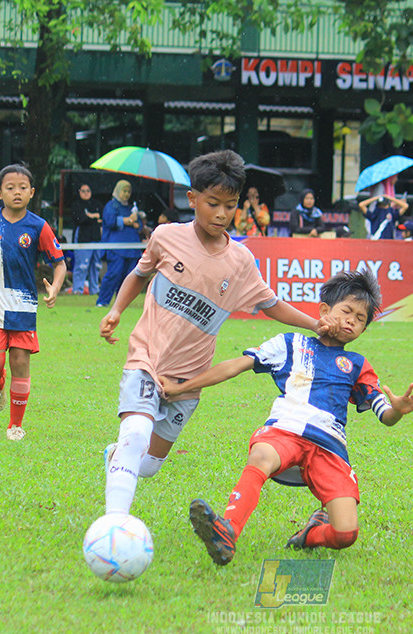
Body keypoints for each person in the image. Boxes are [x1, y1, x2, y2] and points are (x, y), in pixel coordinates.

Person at [97, 149, 336, 520]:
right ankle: (113, 526)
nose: (222, 214)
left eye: (230, 205)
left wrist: (314, 324)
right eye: (212, 204)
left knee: (148, 465)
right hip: (147, 357)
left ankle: (118, 456)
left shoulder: (240, 262)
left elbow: (271, 304)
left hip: (190, 378)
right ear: (192, 199)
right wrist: (115, 310)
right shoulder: (166, 236)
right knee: (137, 431)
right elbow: (140, 274)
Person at [164, 270, 413, 566]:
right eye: (346, 311)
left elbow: (385, 416)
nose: (352, 320)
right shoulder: (289, 344)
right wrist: (180, 388)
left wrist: (398, 410)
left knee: (346, 534)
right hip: (285, 432)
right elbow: (234, 366)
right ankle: (227, 530)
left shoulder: (357, 365)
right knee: (262, 455)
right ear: (324, 310)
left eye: (360, 319)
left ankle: (310, 534)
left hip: (329, 449)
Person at [0, 164, 66, 442]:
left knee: (20, 361)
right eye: (10, 187)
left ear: (31, 192)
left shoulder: (38, 226)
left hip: (23, 306)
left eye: (22, 188)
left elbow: (60, 263)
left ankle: (15, 426)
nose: (16, 192)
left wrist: (54, 287)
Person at [95, 180, 142, 308]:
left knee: (128, 278)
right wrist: (127, 220)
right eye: (124, 191)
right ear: (117, 190)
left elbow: (138, 225)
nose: (126, 194)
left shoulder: (132, 207)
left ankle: (120, 303)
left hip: (132, 249)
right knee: (113, 275)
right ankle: (103, 301)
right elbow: (110, 221)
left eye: (128, 191)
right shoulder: (111, 206)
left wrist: (135, 222)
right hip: (116, 248)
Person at [70, 183, 102, 295]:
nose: (86, 193)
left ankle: (95, 290)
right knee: (81, 266)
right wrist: (94, 217)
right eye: (83, 191)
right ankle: (78, 290)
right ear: (79, 192)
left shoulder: (96, 203)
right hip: (82, 240)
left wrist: (89, 216)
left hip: (96, 239)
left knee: (96, 266)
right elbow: (81, 219)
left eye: (88, 191)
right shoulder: (76, 205)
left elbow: (101, 217)